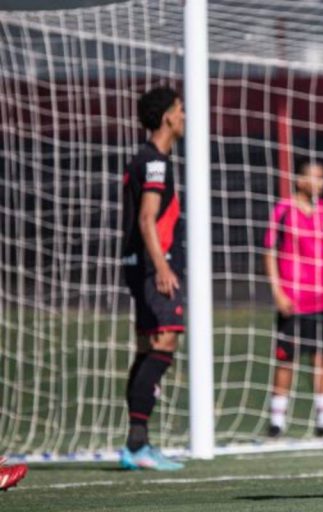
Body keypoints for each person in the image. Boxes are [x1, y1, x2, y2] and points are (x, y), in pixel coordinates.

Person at [119, 86, 186, 471]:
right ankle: (138, 445)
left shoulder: (144, 159)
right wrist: (162, 267)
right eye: (180, 110)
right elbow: (147, 218)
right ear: (167, 117)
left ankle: (136, 444)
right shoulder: (156, 162)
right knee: (163, 346)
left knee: (147, 348)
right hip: (153, 265)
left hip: (137, 263)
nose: (184, 117)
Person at [263, 161, 323, 437]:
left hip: (322, 298)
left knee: (322, 357)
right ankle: (277, 420)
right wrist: (277, 290)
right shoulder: (283, 210)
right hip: (294, 298)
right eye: (314, 177)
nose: (319, 183)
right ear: (299, 180)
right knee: (286, 358)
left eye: (322, 177)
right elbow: (269, 252)